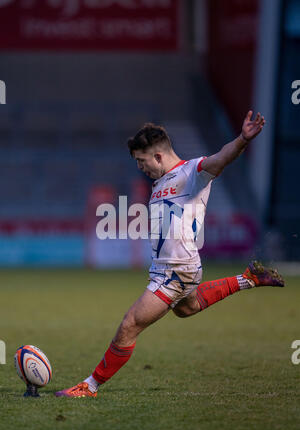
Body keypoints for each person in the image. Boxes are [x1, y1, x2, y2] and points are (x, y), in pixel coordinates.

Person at [55, 110, 284, 398]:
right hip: (171, 269)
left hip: (176, 270)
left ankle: (89, 386)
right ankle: (248, 279)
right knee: (186, 308)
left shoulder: (192, 173)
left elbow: (222, 157)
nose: (141, 167)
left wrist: (242, 139)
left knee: (129, 325)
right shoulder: (160, 184)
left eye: (142, 161)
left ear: (159, 156)